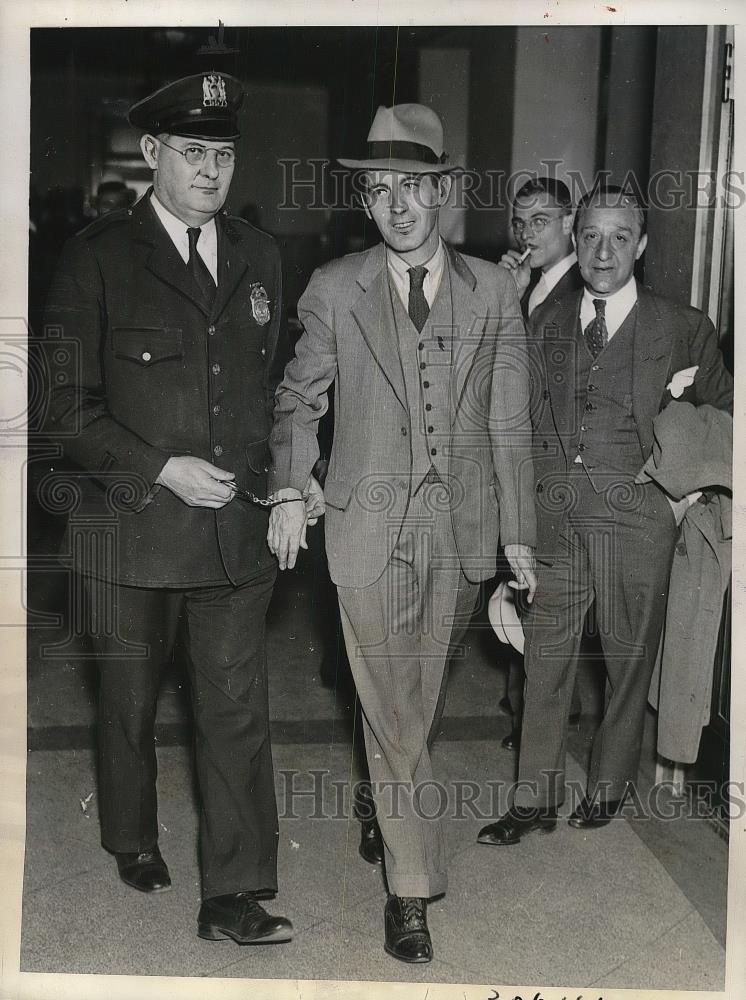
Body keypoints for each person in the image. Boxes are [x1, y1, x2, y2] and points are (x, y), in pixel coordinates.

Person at [267, 103, 537, 963]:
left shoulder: (494, 291)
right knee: (389, 706)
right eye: (380, 191)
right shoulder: (334, 288)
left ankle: (382, 807)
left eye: (413, 187)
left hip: (460, 530)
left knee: (414, 704)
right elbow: (297, 401)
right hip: (364, 525)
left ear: (444, 191)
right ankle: (412, 890)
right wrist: (288, 482)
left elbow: (508, 420)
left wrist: (518, 537)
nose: (397, 206)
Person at [44, 71, 293, 945]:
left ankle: (234, 892)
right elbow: (61, 408)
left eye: (224, 154)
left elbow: (274, 392)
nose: (211, 171)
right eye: (193, 152)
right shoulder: (98, 258)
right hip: (133, 528)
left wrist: (289, 483)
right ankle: (130, 834)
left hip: (233, 531)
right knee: (129, 701)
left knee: (235, 709)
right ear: (152, 154)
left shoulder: (261, 255)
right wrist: (159, 468)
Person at [477, 184, 733, 846]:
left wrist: (683, 472)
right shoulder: (544, 323)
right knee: (545, 659)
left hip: (640, 518)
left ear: (640, 246)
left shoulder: (682, 326)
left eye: (620, 237)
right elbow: (514, 419)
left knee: (627, 657)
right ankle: (533, 798)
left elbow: (726, 413)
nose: (603, 250)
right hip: (554, 519)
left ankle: (608, 784)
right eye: (590, 235)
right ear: (575, 237)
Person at [496, 177, 589, 752]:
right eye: (521, 221)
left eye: (541, 220)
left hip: (558, 465)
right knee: (525, 584)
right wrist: (506, 294)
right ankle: (524, 708)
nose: (528, 232)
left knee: (549, 594)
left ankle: (548, 712)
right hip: (522, 458)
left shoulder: (588, 286)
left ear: (569, 223)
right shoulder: (524, 284)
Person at [499, 176, 581, 319]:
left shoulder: (584, 287)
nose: (525, 235)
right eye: (519, 224)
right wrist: (511, 296)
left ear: (568, 223)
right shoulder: (525, 284)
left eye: (538, 221)